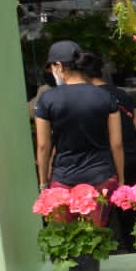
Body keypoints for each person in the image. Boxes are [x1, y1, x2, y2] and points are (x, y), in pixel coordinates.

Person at [34, 39, 124, 224]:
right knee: (96, 239)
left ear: (58, 66)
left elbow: (43, 145)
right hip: (101, 176)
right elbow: (116, 143)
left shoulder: (47, 99)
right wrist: (121, 178)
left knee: (66, 239)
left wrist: (43, 183)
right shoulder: (105, 96)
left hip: (63, 178)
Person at [82, 50, 136, 250]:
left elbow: (112, 140)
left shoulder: (90, 99)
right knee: (134, 212)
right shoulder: (122, 94)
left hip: (110, 161)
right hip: (135, 156)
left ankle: (114, 253)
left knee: (105, 214)